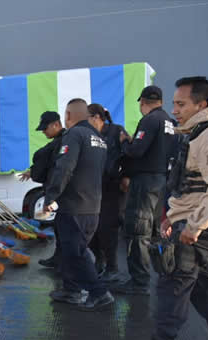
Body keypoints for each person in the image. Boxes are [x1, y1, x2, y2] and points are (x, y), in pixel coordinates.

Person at [117, 77, 208, 340]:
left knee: (172, 289)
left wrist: (194, 225)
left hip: (202, 227)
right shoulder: (202, 130)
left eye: (181, 104)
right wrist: (172, 217)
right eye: (174, 103)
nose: (174, 109)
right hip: (202, 223)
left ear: (202, 104)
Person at [42, 99, 114, 311]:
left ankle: (99, 293)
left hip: (74, 206)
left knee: (76, 252)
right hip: (92, 205)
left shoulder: (74, 135)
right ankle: (71, 290)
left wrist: (51, 196)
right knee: (69, 250)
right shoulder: (99, 139)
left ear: (68, 115)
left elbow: (64, 168)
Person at [113, 85, 177, 295]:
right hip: (161, 180)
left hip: (145, 182)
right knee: (154, 231)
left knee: (138, 230)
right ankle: (165, 273)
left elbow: (136, 150)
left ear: (142, 102)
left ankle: (139, 282)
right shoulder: (169, 122)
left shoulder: (150, 120)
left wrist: (125, 143)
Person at [86, 104, 127, 284]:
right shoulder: (88, 134)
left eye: (87, 117)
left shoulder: (116, 131)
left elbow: (128, 154)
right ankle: (99, 260)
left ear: (96, 117)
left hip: (113, 187)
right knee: (92, 228)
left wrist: (126, 176)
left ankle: (113, 267)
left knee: (107, 228)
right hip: (93, 187)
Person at [23, 111, 65, 269]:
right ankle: (59, 258)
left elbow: (60, 169)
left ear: (56, 124)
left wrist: (51, 197)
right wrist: (33, 170)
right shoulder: (57, 142)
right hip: (57, 191)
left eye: (45, 128)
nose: (43, 132)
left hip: (64, 192)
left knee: (68, 231)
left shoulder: (65, 142)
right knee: (59, 227)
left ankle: (72, 266)